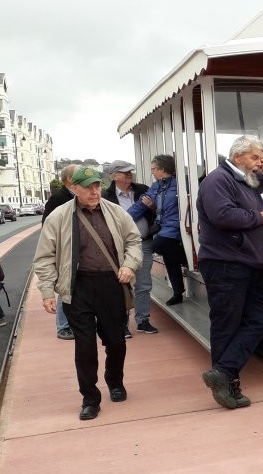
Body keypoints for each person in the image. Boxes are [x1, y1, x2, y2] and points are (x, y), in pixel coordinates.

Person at [33, 167, 142, 421]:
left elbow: (134, 241)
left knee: (115, 340)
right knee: (84, 345)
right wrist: (48, 290)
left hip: (111, 283)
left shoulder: (115, 212)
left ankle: (115, 381)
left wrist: (129, 264)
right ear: (75, 189)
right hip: (77, 286)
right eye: (88, 187)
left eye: (97, 186)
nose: (95, 192)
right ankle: (90, 398)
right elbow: (45, 256)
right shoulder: (59, 217)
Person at [196, 136, 263, 409]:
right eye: (256, 157)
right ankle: (228, 386)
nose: (260, 162)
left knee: (259, 318)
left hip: (249, 262)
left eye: (261, 157)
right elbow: (222, 215)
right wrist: (260, 218)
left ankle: (223, 373)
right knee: (226, 325)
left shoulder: (249, 178)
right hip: (225, 263)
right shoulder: (217, 181)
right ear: (238, 157)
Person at [103, 160, 159, 335]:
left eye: (130, 171)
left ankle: (143, 320)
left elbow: (160, 211)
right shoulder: (106, 197)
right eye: (124, 172)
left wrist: (153, 207)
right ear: (113, 176)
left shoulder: (142, 189)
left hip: (145, 242)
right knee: (122, 284)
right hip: (121, 247)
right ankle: (122, 324)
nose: (129, 174)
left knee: (144, 284)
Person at [128, 154, 187, 305]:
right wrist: (122, 219)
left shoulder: (182, 183)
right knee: (169, 257)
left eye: (154, 169)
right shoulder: (156, 186)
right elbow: (140, 206)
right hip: (165, 225)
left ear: (163, 169)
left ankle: (191, 262)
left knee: (159, 246)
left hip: (177, 225)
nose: (152, 172)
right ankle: (178, 293)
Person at [42, 164, 80, 340]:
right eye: (78, 174)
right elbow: (47, 227)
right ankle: (63, 326)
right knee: (66, 287)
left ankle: (74, 323)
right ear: (69, 180)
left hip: (79, 249)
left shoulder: (81, 195)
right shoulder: (58, 198)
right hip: (65, 250)